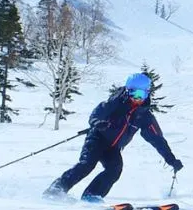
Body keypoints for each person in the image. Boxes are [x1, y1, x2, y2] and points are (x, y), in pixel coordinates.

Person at [44, 72, 183, 201]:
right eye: (134, 93)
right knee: (87, 164)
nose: (138, 98)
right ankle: (57, 188)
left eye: (142, 94)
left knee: (115, 169)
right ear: (128, 91)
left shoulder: (145, 116)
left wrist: (171, 159)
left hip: (113, 147)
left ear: (147, 94)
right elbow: (96, 113)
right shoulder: (116, 102)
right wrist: (97, 123)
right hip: (97, 138)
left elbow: (157, 139)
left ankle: (91, 195)